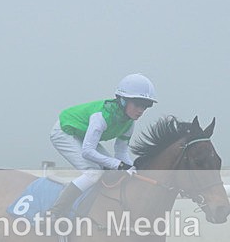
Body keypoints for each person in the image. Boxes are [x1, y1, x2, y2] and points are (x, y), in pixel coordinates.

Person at [48, 73, 156, 216]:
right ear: (123, 100)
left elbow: (121, 152)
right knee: (93, 173)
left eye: (146, 106)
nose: (141, 110)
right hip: (64, 131)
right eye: (137, 104)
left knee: (109, 170)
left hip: (81, 135)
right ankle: (54, 213)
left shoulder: (129, 123)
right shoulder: (101, 117)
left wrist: (133, 168)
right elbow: (87, 152)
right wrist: (119, 165)